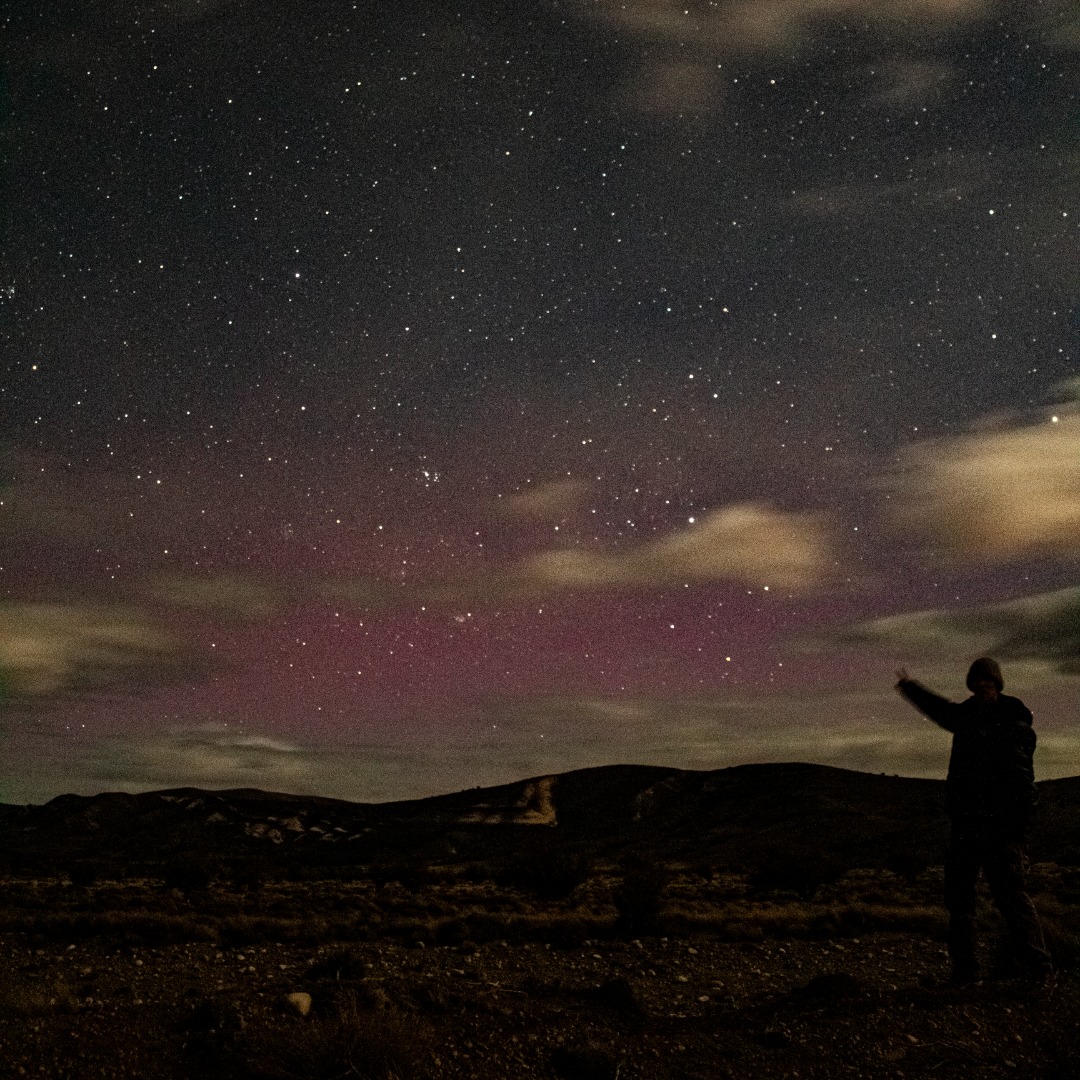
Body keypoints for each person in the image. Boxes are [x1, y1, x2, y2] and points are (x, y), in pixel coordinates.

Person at [895, 657, 1051, 986]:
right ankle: (965, 972)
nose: (981, 685)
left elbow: (1024, 782)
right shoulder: (966, 717)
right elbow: (940, 709)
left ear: (997, 685)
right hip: (965, 825)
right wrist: (910, 687)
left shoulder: (1012, 722)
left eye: (987, 681)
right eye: (976, 681)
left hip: (1000, 826)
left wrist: (1018, 827)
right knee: (960, 900)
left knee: (1010, 896)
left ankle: (1038, 970)